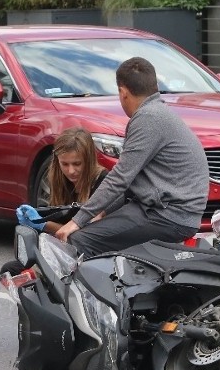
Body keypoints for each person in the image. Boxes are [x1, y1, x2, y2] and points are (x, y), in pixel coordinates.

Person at [53, 57, 209, 256]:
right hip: (166, 211)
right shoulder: (158, 113)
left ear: (123, 92)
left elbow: (120, 178)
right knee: (92, 229)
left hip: (168, 216)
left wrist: (76, 221)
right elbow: (132, 182)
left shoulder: (148, 119)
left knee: (78, 240)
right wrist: (102, 211)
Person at [1, 127, 107, 276]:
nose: (71, 171)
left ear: (88, 160)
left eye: (77, 164)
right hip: (61, 252)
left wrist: (43, 223)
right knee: (11, 271)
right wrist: (32, 219)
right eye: (65, 164)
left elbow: (83, 236)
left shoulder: (103, 183)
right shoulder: (58, 180)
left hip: (91, 257)